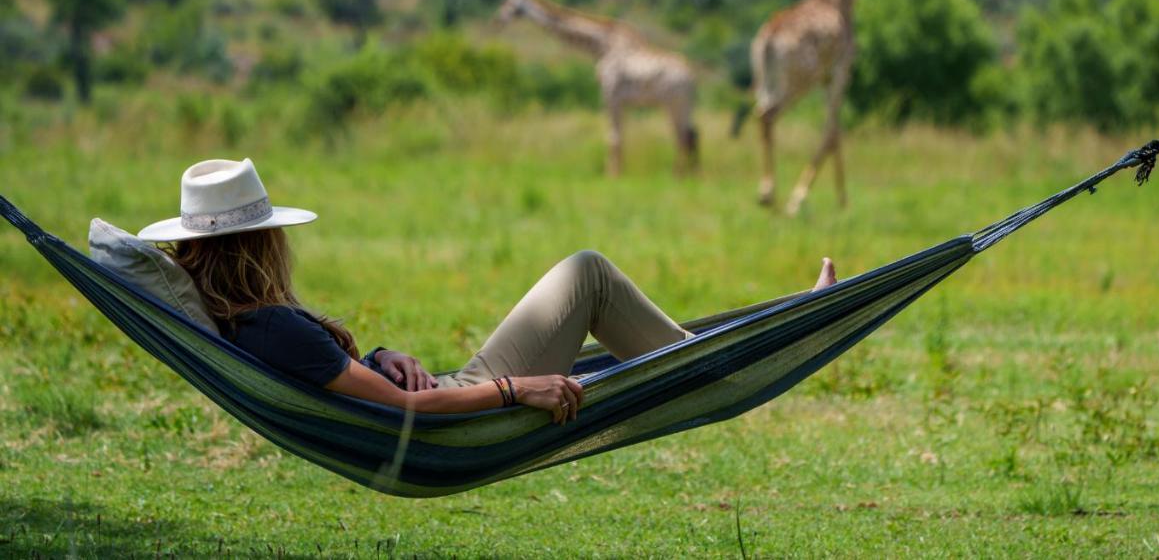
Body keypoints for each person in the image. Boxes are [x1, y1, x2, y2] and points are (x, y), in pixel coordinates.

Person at [138, 158, 839, 424]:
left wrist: (382, 354)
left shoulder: (248, 323)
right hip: (464, 411)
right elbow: (414, 407)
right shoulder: (271, 327)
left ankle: (745, 341)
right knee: (588, 272)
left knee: (589, 278)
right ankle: (733, 358)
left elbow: (361, 383)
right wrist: (521, 388)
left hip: (449, 395)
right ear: (261, 241)